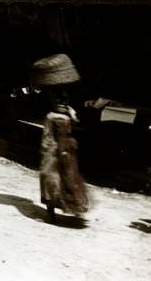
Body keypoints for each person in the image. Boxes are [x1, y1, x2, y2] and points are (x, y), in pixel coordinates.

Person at [40, 91, 89, 222]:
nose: (61, 105)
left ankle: (75, 209)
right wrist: (48, 151)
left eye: (64, 103)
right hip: (54, 150)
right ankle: (52, 212)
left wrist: (72, 113)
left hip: (64, 150)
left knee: (68, 178)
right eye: (59, 103)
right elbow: (47, 135)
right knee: (51, 178)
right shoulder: (51, 117)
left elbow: (70, 129)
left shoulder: (65, 117)